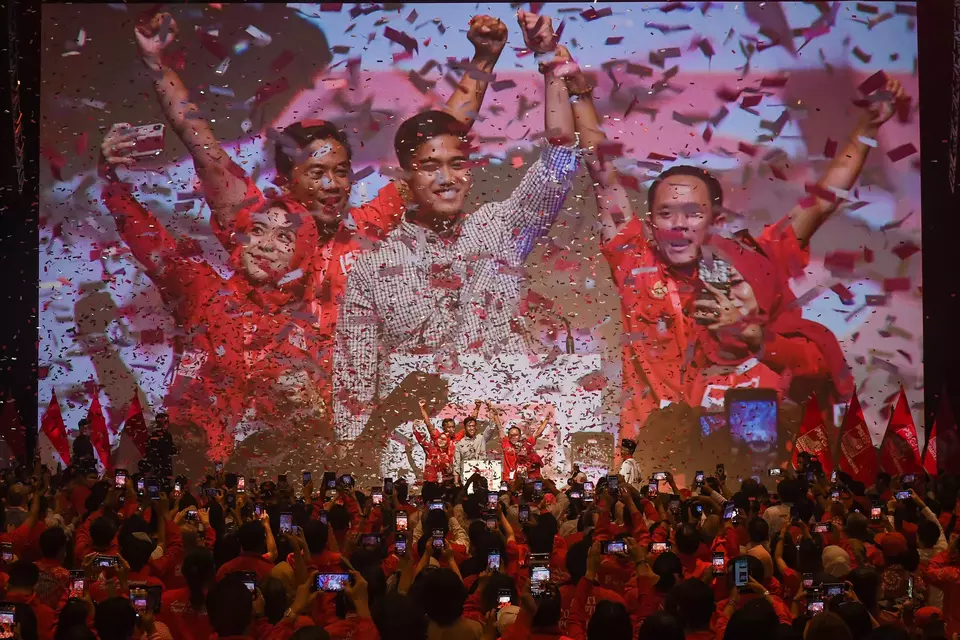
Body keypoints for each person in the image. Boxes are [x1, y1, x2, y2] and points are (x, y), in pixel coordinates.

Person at [132, 11, 508, 458]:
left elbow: (440, 142)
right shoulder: (259, 224)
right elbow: (202, 145)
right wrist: (158, 64)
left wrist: (483, 61)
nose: (334, 184)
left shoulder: (366, 228)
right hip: (249, 437)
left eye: (342, 172)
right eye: (318, 173)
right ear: (288, 178)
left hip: (340, 433)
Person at [561, 54, 906, 444]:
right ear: (652, 221)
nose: (679, 223)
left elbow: (823, 201)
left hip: (740, 458)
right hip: (652, 463)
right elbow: (603, 177)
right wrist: (579, 94)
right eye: (666, 213)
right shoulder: (635, 262)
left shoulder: (752, 261)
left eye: (693, 212)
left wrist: (867, 128)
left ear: (715, 221)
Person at [332, 11, 580, 448]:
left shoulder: (500, 228)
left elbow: (559, 161)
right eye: (429, 167)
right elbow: (353, 391)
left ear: (470, 170)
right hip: (411, 452)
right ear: (406, 177)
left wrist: (548, 58)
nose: (446, 178)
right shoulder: (373, 269)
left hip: (500, 439)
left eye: (457, 164)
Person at [99, 127, 328, 463]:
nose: (265, 244)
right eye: (259, 229)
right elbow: (148, 240)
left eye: (284, 238)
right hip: (180, 470)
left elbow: (316, 426)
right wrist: (109, 179)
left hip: (258, 488)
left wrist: (307, 401)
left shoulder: (309, 328)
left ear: (302, 255)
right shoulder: (202, 289)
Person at [488, 404, 555, 482]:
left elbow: (538, 433)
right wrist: (496, 415)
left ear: (520, 436)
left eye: (516, 435)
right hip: (508, 479)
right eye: (511, 434)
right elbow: (499, 428)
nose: (513, 436)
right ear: (508, 436)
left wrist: (546, 420)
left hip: (522, 480)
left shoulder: (526, 444)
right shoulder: (505, 442)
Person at [454, 405, 497, 483]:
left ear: (476, 427)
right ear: (465, 428)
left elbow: (491, 427)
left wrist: (490, 409)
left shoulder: (481, 438)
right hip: (467, 477)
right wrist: (456, 482)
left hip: (482, 476)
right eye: (469, 426)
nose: (471, 428)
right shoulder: (459, 444)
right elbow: (456, 464)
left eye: (473, 426)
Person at [144, 414, 177, 479]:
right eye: (162, 422)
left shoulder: (167, 435)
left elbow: (171, 450)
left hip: (163, 469)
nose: (164, 425)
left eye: (166, 422)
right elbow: (150, 452)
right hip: (158, 468)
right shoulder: (154, 435)